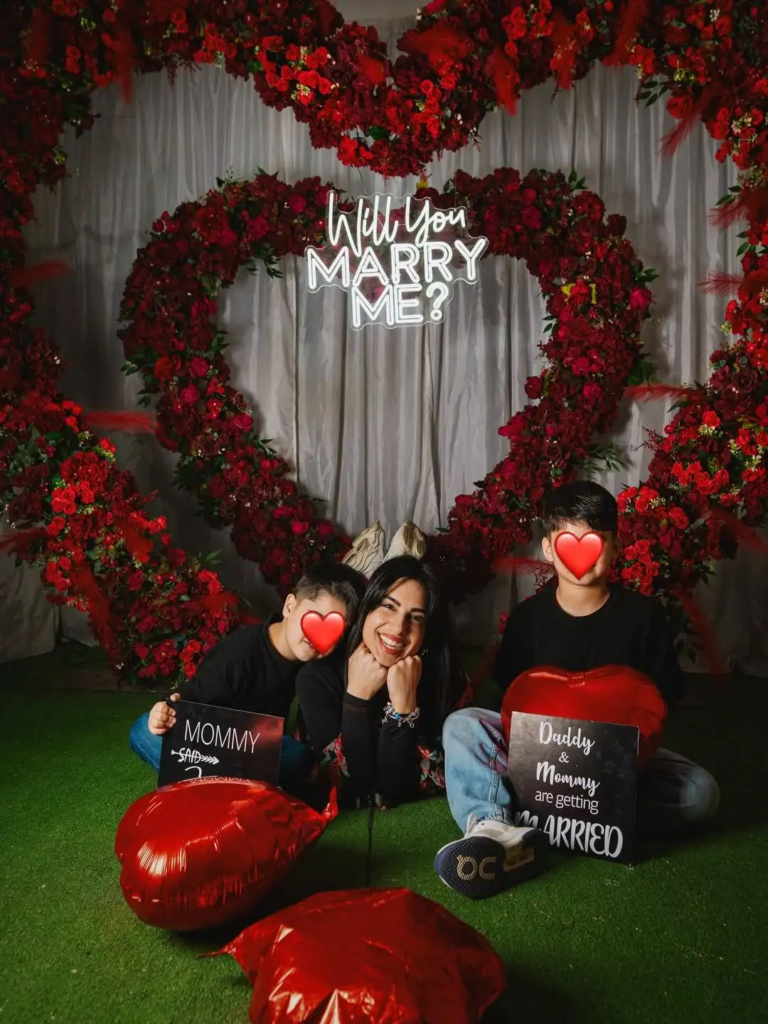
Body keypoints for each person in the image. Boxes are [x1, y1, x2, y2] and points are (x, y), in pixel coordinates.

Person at [434, 481, 720, 900]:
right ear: (549, 549)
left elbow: (663, 698)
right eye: (567, 541)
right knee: (461, 725)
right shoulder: (527, 619)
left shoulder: (643, 617)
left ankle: (570, 814)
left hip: (614, 763)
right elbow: (513, 701)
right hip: (539, 759)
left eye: (595, 541)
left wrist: (621, 756)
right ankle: (493, 826)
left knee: (701, 793)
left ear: (615, 546)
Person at [129, 561, 366, 784]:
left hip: (260, 748)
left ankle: (227, 787)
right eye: (315, 618)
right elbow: (190, 698)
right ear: (289, 606)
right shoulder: (240, 652)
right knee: (144, 730)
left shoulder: (320, 665)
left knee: (299, 756)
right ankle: (228, 788)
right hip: (211, 741)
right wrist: (163, 712)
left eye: (335, 631)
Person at [295, 555, 469, 808]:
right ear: (368, 609)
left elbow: (396, 791)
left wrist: (404, 708)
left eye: (416, 618)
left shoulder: (447, 679)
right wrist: (357, 700)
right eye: (388, 606)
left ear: (426, 632)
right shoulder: (317, 678)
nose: (398, 628)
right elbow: (351, 789)